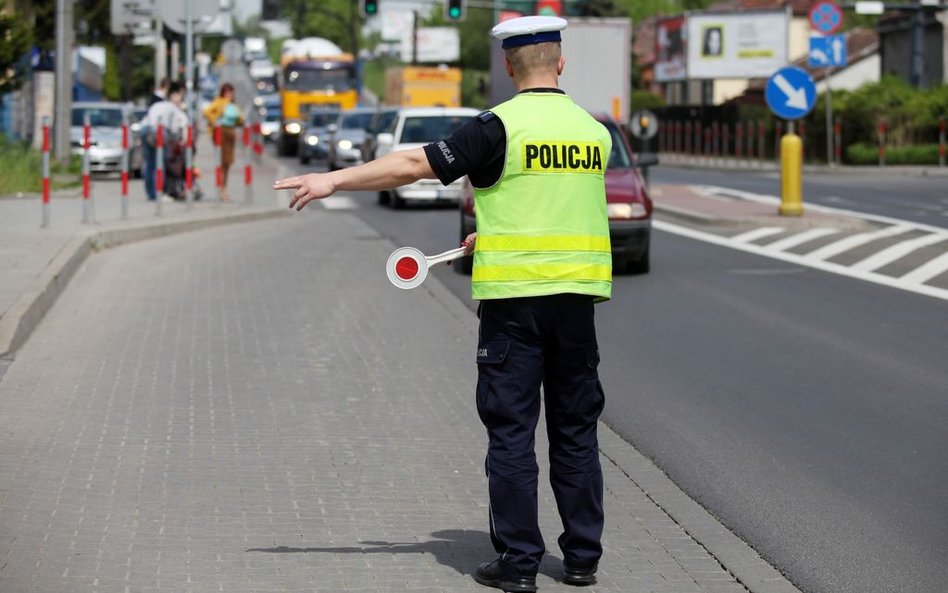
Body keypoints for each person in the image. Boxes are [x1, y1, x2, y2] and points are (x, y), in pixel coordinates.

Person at [274, 15, 611, 593]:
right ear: (561, 63)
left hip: (513, 305)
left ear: (508, 68)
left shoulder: (498, 127)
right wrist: (494, 237)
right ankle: (582, 557)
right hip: (578, 303)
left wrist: (334, 180)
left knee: (511, 433)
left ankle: (519, 564)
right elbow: (555, 207)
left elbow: (412, 164)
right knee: (576, 431)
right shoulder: (593, 132)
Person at [142, 81, 188, 201]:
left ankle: (150, 193)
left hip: (145, 129)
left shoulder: (159, 104)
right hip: (158, 131)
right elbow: (177, 128)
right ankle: (159, 193)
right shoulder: (173, 108)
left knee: (149, 163)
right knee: (160, 163)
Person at [203, 83, 244, 201]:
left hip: (231, 132)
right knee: (222, 162)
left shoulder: (234, 105)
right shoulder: (219, 102)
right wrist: (214, 120)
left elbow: (239, 120)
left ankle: (223, 188)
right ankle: (221, 189)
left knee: (227, 162)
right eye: (226, 92)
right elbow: (207, 111)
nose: (229, 94)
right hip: (222, 132)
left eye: (230, 92)